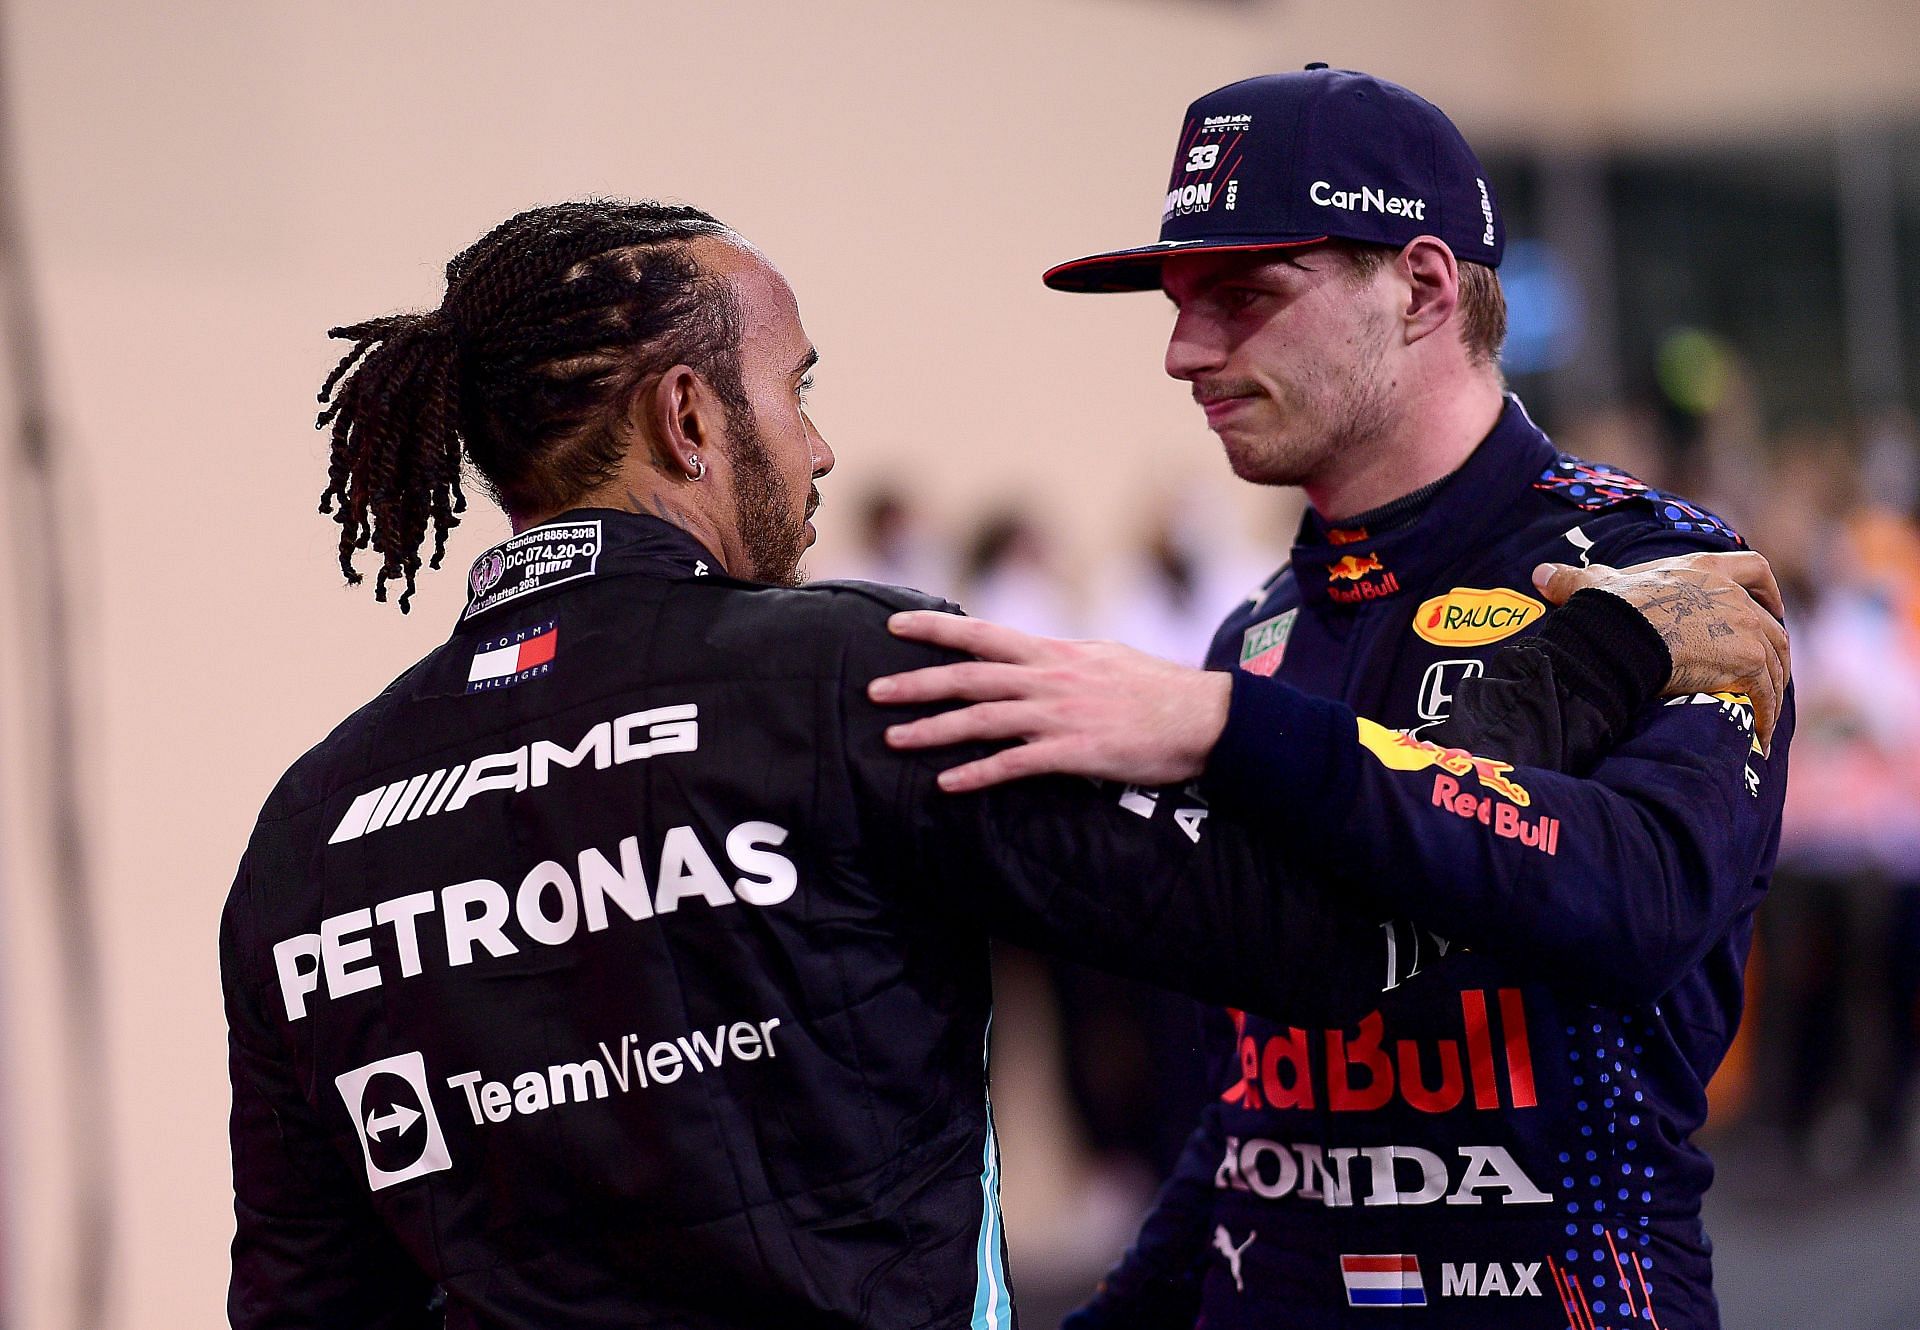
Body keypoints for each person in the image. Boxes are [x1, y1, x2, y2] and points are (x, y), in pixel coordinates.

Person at [222, 200, 1783, 1330]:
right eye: (797, 387)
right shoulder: (852, 676)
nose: (821, 447)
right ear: (688, 416)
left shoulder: (306, 825)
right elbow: (1325, 941)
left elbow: (299, 1298)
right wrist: (1594, 667)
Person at [876, 68, 1792, 1330]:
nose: (1183, 351)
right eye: (1182, 303)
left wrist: (1221, 730)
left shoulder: (1663, 568)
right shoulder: (1253, 634)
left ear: (1421, 288)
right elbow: (1256, 1108)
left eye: (1244, 297)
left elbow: (1640, 901)